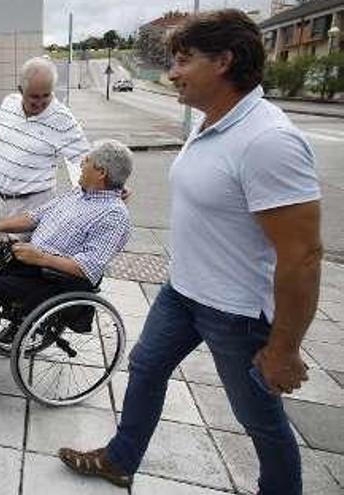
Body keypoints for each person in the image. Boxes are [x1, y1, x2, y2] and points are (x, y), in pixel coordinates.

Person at [58, 10, 322, 494]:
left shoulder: (268, 140)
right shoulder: (211, 123)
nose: (172, 73)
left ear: (224, 61)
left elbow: (303, 255)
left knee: (257, 417)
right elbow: (210, 198)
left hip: (236, 311)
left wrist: (284, 348)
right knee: (145, 366)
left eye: (183, 61)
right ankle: (121, 460)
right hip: (182, 292)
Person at [0, 139, 132, 374]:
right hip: (31, 262)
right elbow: (34, 216)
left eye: (88, 160)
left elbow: (88, 268)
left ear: (101, 172)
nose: (82, 163)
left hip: (55, 278)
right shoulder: (78, 194)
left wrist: (40, 257)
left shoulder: (114, 216)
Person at [0, 56, 91, 222]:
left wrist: (114, 187)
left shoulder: (62, 118)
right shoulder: (8, 104)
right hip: (1, 203)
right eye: (34, 97)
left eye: (46, 95)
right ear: (21, 90)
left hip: (35, 207)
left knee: (19, 248)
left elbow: (88, 160)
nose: (40, 103)